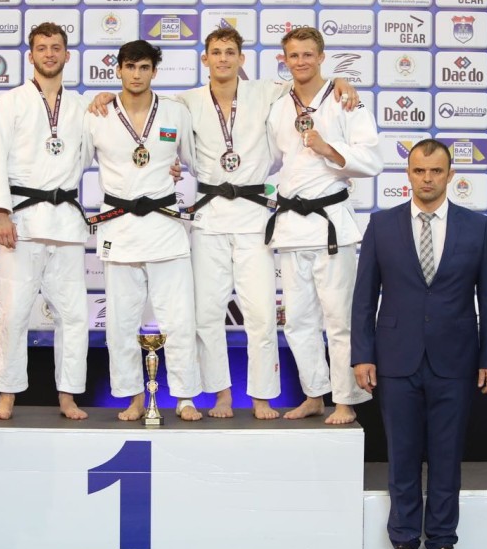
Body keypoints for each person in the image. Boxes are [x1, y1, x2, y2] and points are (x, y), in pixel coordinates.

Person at [177, 28, 359, 420]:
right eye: (215, 52)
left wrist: (341, 82)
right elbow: (144, 111)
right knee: (206, 315)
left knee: (260, 314)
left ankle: (262, 396)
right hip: (209, 217)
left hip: (254, 217)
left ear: (242, 59)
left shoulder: (265, 92)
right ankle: (221, 394)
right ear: (204, 59)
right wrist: (104, 98)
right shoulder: (186, 101)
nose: (223, 58)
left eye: (230, 52)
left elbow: (309, 82)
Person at [351, 139, 487, 549]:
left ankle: (442, 543)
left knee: (446, 456)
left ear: (450, 175)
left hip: (456, 361)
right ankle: (402, 542)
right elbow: (364, 297)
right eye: (419, 170)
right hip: (395, 359)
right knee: (401, 454)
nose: (427, 179)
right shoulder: (381, 225)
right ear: (408, 174)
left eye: (436, 171)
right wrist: (362, 354)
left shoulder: (477, 227)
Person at [265, 27, 383, 425]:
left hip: (331, 227)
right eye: (293, 55)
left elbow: (372, 159)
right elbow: (270, 162)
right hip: (291, 226)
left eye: (307, 54)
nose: (300, 61)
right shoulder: (279, 105)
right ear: (284, 60)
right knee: (298, 321)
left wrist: (327, 148)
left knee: (339, 319)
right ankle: (314, 394)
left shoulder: (344, 100)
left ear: (321, 56)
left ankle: (346, 401)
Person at [82, 40, 202, 421]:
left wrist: (180, 171)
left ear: (154, 71)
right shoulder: (97, 114)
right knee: (120, 322)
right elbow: (74, 162)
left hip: (165, 224)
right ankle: (134, 397)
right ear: (118, 70)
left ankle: (184, 396)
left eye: (144, 67)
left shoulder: (174, 112)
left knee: (179, 317)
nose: (136, 74)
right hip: (119, 225)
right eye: (130, 67)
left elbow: (196, 161)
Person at [0, 23, 91, 421]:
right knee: (13, 313)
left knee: (74, 316)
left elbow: (110, 149)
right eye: (42, 48)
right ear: (30, 56)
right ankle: (6, 395)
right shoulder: (7, 104)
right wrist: (0, 213)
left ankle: (68, 395)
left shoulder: (82, 107)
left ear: (67, 55)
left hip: (66, 223)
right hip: (22, 222)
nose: (49, 54)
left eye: (56, 47)